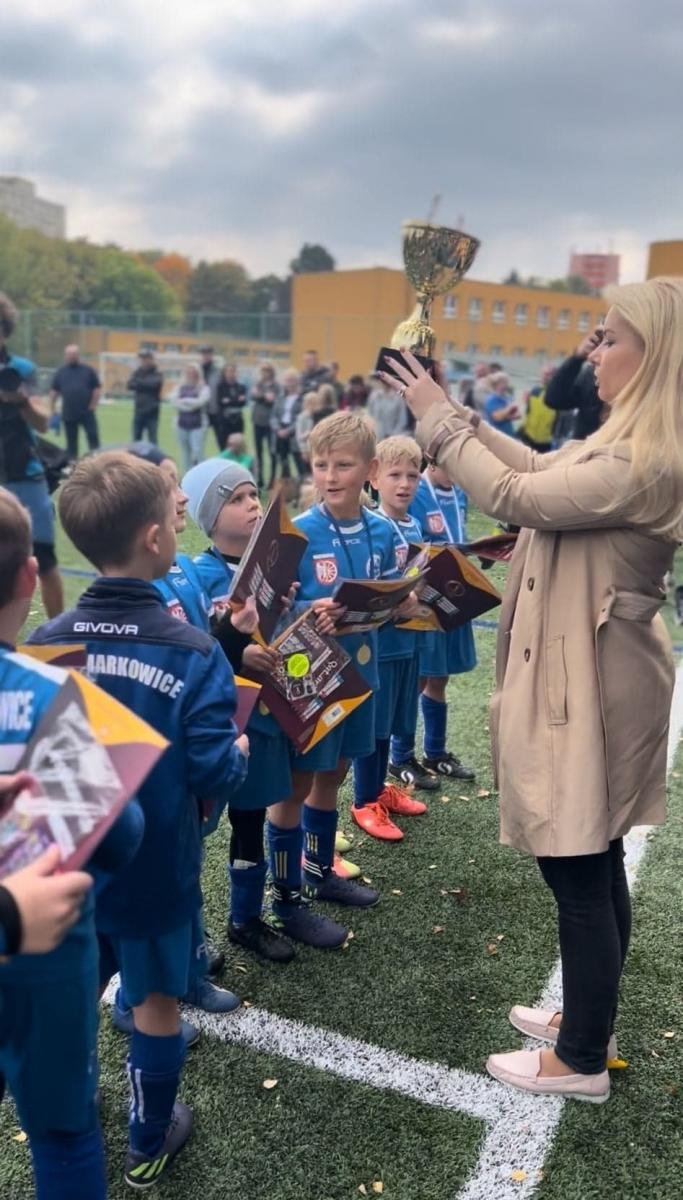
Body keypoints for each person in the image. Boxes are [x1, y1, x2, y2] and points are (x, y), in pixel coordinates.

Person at [380, 277, 682, 1103]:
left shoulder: (646, 457)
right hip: (592, 668)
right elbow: (539, 469)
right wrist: (458, 417)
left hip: (594, 677)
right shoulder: (624, 442)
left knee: (576, 863)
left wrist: (435, 418)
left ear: (652, 355)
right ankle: (590, 1023)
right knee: (593, 856)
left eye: (610, 338)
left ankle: (580, 1059)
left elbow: (514, 494)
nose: (594, 351)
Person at [28, 452, 248, 1185]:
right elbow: (214, 771)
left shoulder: (45, 643)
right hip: (157, 865)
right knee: (156, 1003)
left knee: (74, 993)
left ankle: (73, 1109)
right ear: (155, 538)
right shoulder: (194, 651)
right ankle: (149, 1141)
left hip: (67, 870)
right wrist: (238, 751)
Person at [0, 486, 143, 1200]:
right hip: (48, 950)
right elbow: (121, 835)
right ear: (31, 575)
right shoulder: (56, 694)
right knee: (62, 1130)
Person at [266, 412, 415, 948]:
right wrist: (309, 610)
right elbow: (269, 612)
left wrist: (402, 601)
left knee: (336, 772)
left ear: (370, 470)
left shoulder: (385, 532)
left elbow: (397, 601)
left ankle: (318, 870)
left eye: (343, 465)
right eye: (321, 465)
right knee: (297, 784)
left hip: (361, 677)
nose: (330, 476)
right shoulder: (298, 533)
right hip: (312, 683)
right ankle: (286, 897)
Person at [183, 459, 297, 963]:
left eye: (253, 495)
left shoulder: (269, 567)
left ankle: (245, 918)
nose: (252, 505)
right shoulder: (197, 576)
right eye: (236, 499)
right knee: (194, 831)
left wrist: (286, 612)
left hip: (263, 722)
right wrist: (238, 653)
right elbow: (197, 647)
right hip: (217, 727)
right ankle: (190, 934)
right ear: (209, 518)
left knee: (250, 821)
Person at [351, 436, 425, 840]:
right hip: (379, 646)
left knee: (394, 722)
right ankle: (364, 801)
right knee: (373, 729)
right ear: (375, 478)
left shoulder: (413, 525)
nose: (404, 483)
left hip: (408, 642)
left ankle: (379, 790)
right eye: (395, 474)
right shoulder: (374, 527)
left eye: (412, 475)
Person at [389, 458, 476, 789]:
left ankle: (435, 753)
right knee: (419, 678)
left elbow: (456, 534)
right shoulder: (416, 491)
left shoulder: (459, 492)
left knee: (440, 676)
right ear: (434, 460)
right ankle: (400, 757)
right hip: (423, 600)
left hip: (453, 593)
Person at [0, 292, 63, 617]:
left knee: (44, 561)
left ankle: (58, 637)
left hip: (25, 475)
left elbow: (43, 422)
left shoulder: (21, 370)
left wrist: (21, 400)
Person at [544, 326, 607, 439]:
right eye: (597, 343)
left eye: (609, 343)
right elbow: (553, 399)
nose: (592, 356)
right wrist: (577, 358)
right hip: (584, 446)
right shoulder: (589, 376)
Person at [49, 344, 101, 461]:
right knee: (71, 442)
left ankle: (97, 461)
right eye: (69, 354)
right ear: (65, 356)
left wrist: (93, 405)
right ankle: (72, 463)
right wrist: (52, 409)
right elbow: (54, 391)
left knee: (93, 437)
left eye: (73, 354)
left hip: (87, 411)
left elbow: (96, 389)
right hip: (69, 412)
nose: (71, 356)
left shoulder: (88, 370)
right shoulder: (61, 372)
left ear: (78, 355)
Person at [171, 363, 210, 472]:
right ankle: (187, 473)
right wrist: (188, 405)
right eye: (189, 373)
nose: (191, 375)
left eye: (193, 373)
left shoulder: (203, 388)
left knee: (198, 450)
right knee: (185, 451)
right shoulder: (179, 387)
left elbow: (200, 402)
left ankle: (202, 473)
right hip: (181, 423)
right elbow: (174, 401)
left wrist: (184, 401)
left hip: (198, 424)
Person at [270, 368, 303, 485]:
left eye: (291, 380)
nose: (289, 384)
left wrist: (288, 431)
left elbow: (301, 418)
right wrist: (278, 429)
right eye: (287, 381)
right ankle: (286, 488)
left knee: (299, 461)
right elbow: (273, 415)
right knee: (283, 462)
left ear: (296, 381)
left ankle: (302, 486)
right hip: (280, 430)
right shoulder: (280, 397)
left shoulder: (302, 398)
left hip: (294, 432)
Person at [249, 363, 280, 489]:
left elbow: (273, 400)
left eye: (267, 371)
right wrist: (263, 397)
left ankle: (272, 479)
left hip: (270, 422)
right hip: (257, 421)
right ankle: (260, 478)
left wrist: (260, 397)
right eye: (263, 371)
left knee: (272, 451)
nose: (265, 373)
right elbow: (253, 396)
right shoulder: (258, 384)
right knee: (259, 452)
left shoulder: (276, 386)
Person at [127, 349, 164, 444]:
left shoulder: (157, 373)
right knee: (136, 440)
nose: (143, 361)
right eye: (142, 358)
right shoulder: (137, 372)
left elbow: (154, 384)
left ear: (151, 359)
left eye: (146, 358)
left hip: (152, 412)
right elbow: (130, 385)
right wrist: (144, 384)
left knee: (153, 440)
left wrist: (139, 383)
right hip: (139, 410)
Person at [518, 365, 557, 453]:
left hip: (545, 441)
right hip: (528, 436)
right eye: (544, 374)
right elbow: (528, 412)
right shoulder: (534, 391)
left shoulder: (557, 394)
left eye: (549, 374)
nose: (545, 377)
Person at [215, 363, 248, 446]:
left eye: (233, 371)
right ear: (225, 373)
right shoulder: (220, 387)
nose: (231, 374)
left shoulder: (241, 387)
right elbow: (221, 402)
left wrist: (229, 400)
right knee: (224, 444)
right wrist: (236, 400)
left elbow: (243, 403)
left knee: (238, 445)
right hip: (224, 421)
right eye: (229, 371)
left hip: (238, 421)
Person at [367, 375, 408, 440]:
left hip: (393, 435)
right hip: (376, 434)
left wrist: (394, 435)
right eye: (382, 382)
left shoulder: (398, 399)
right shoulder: (374, 396)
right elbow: (370, 414)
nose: (384, 384)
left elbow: (402, 419)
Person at [199, 346, 222, 452]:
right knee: (199, 443)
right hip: (201, 411)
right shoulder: (197, 370)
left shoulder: (218, 371)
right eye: (204, 354)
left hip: (215, 410)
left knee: (221, 441)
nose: (206, 356)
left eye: (208, 353)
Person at [483, 372, 519, 437]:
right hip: (496, 435)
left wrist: (505, 416)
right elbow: (497, 417)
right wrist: (510, 408)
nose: (506, 385)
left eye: (506, 382)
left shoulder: (507, 398)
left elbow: (518, 415)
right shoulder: (491, 399)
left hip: (508, 434)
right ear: (495, 384)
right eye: (503, 383)